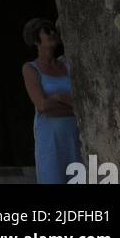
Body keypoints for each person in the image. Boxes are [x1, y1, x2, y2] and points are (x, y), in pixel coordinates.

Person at [21, 17, 82, 183]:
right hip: (50, 138)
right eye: (47, 31)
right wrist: (73, 108)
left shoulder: (68, 65)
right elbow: (42, 105)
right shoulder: (31, 68)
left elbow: (83, 104)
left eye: (53, 30)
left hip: (73, 135)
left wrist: (58, 97)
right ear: (36, 39)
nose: (53, 33)